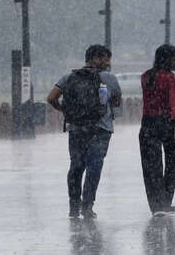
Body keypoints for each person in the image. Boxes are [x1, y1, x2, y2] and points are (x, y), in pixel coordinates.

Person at [46, 44, 122, 219]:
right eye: (106, 59)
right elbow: (117, 101)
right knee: (94, 166)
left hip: (76, 127)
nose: (108, 62)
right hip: (101, 128)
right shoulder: (108, 78)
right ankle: (87, 206)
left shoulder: (69, 77)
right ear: (96, 59)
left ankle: (74, 206)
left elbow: (51, 98)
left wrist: (66, 111)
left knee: (76, 166)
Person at [139, 44, 175, 216]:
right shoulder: (174, 79)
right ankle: (166, 200)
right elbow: (172, 101)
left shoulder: (146, 76)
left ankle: (156, 205)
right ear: (169, 59)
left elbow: (158, 98)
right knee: (172, 164)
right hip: (169, 123)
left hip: (148, 123)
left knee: (151, 166)